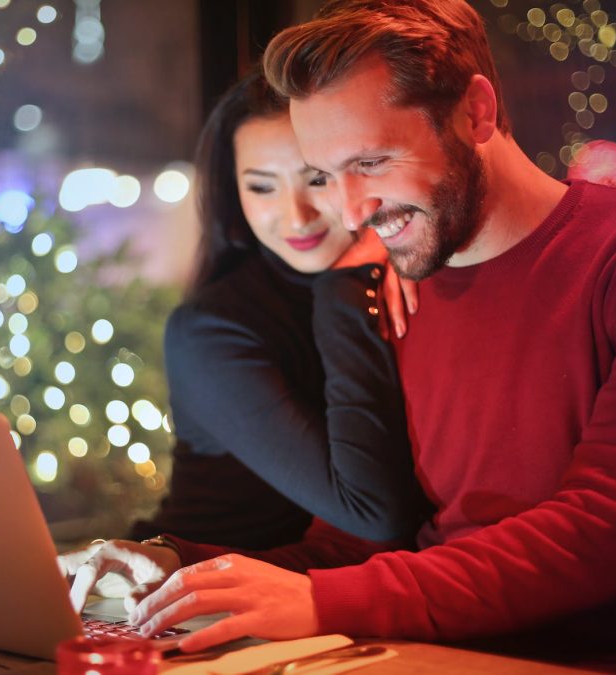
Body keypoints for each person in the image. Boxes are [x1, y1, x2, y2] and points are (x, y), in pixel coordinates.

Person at [71, 0, 616, 666]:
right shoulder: (398, 286)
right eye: (327, 173)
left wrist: (321, 600)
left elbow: (601, 534)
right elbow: (360, 548)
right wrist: (179, 571)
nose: (349, 210)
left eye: (369, 163)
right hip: (430, 650)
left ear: (476, 113)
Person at [60, 71, 430, 605]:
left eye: (316, 179)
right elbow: (374, 513)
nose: (295, 214)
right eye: (261, 186)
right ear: (234, 194)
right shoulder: (212, 330)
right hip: (179, 594)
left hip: (303, 599)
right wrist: (348, 282)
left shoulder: (399, 282)